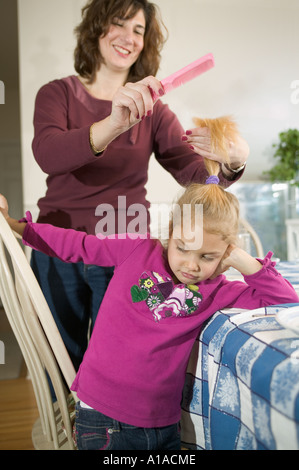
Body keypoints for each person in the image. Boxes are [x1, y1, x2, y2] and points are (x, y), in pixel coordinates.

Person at [0, 155, 297, 451]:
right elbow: (76, 246)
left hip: (163, 423)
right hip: (103, 415)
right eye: (183, 248)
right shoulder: (137, 249)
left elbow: (284, 300)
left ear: (224, 254)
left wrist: (244, 262)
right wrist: (16, 225)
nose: (191, 265)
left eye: (207, 256)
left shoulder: (219, 290)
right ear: (170, 234)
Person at [31, 0, 249, 371]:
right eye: (119, 24)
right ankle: (66, 428)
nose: (129, 37)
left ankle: (105, 429)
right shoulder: (57, 94)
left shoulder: (156, 112)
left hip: (123, 252)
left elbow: (195, 174)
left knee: (116, 360)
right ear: (96, 30)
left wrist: (231, 162)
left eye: (138, 30)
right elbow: (49, 155)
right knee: (60, 362)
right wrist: (115, 123)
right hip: (57, 245)